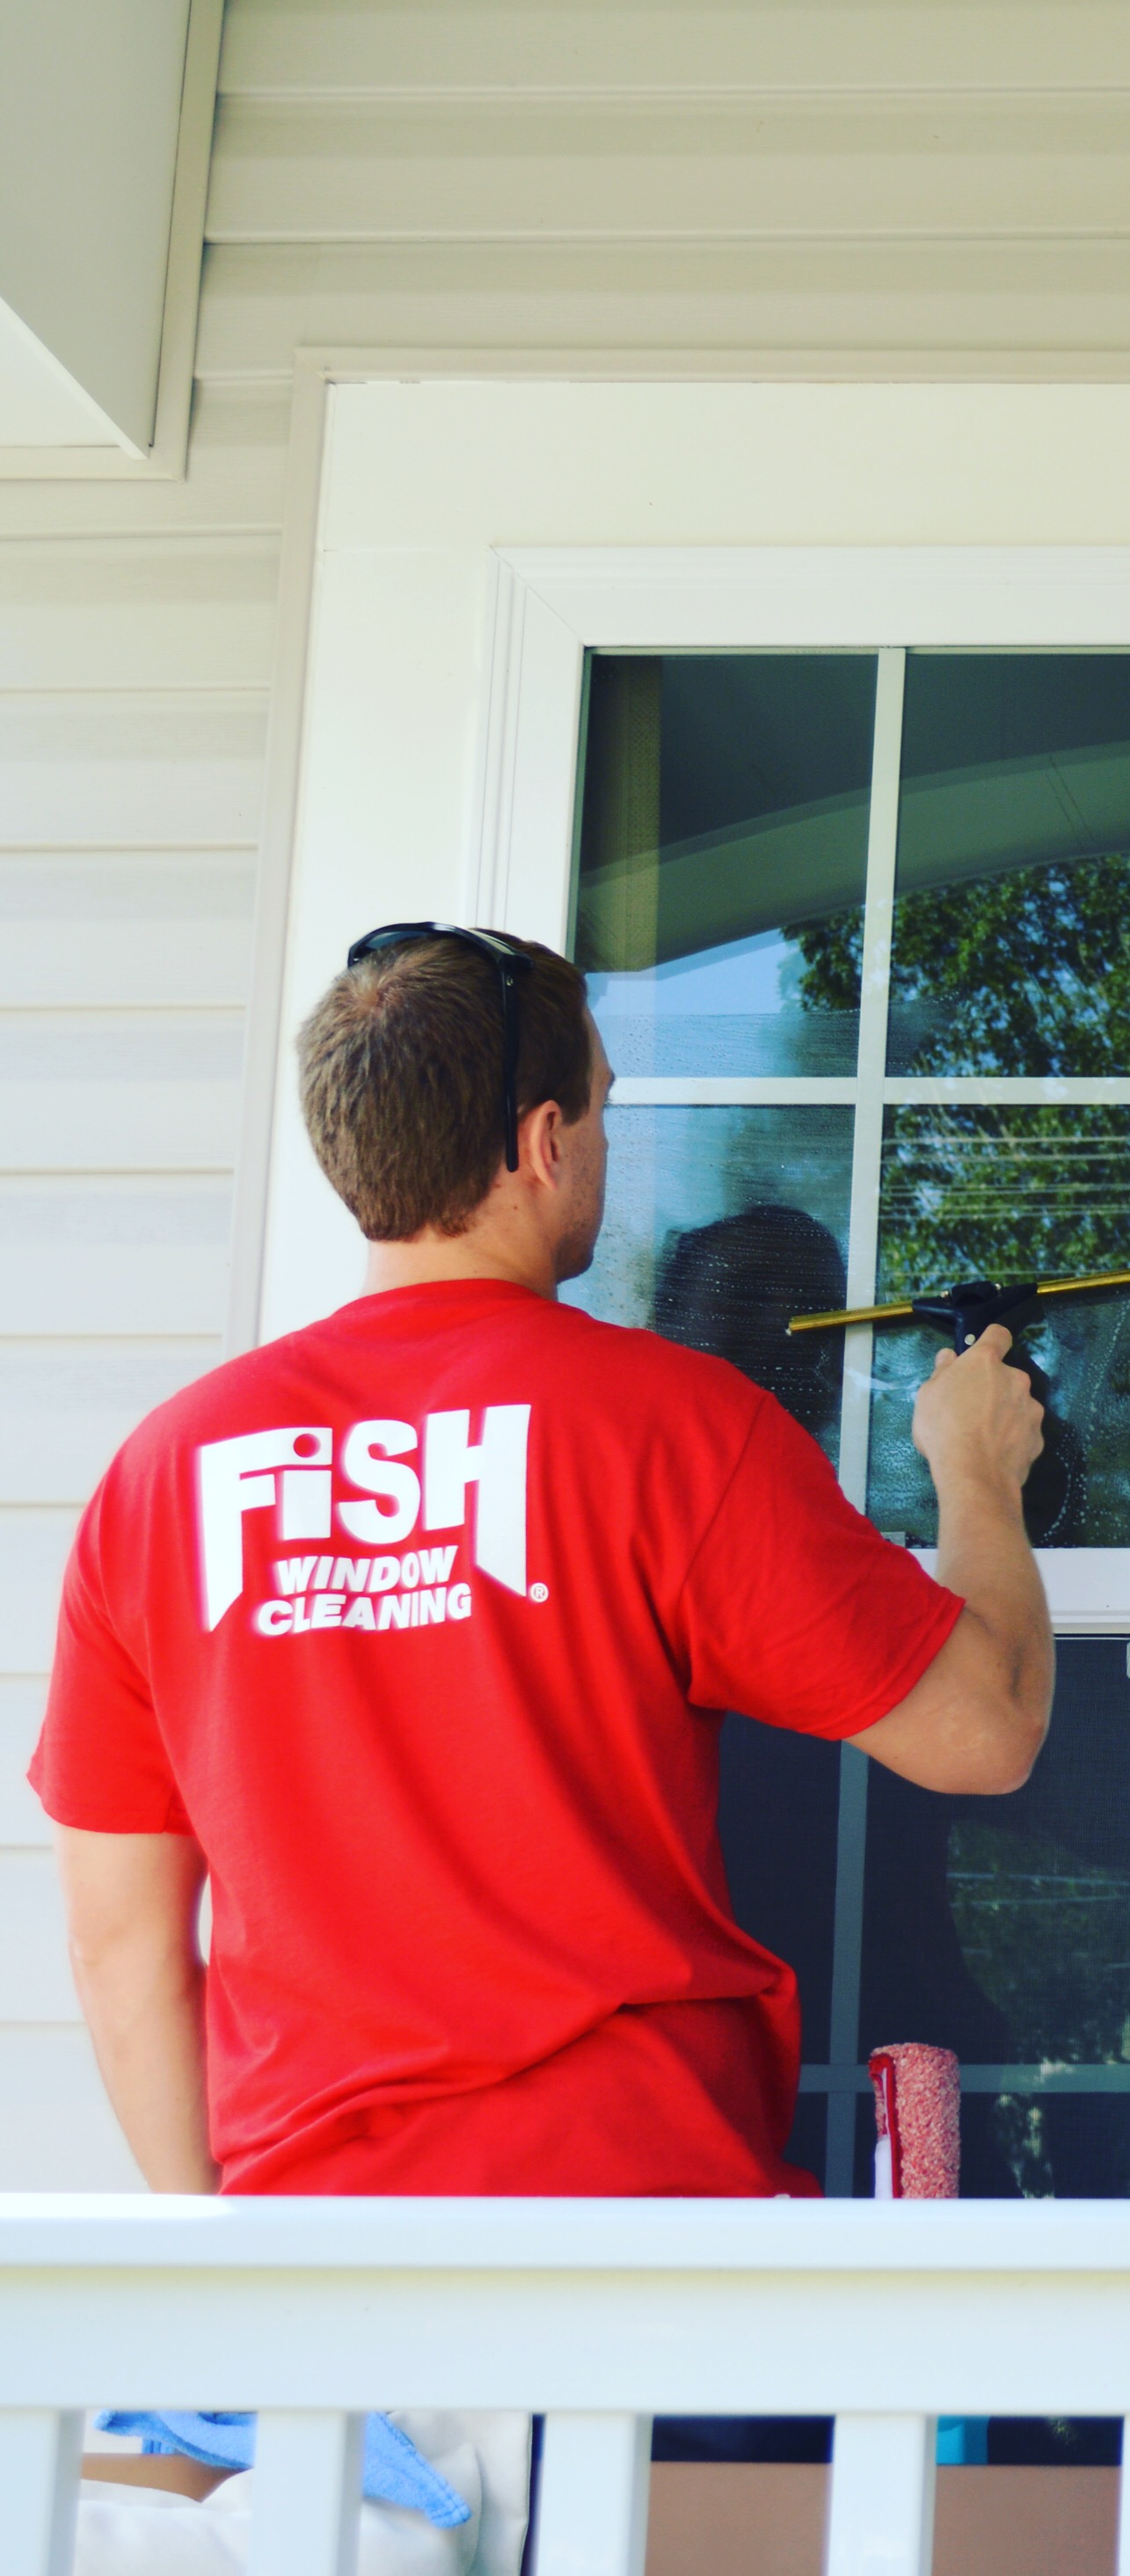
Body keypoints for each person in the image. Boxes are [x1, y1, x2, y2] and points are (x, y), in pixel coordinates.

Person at [27, 923, 1054, 2196]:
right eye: (607, 1110)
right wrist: (977, 1474)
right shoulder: (669, 1426)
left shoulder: (163, 1478)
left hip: (315, 2293)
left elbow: (116, 1943)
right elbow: (987, 1727)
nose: (612, 1148)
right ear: (541, 1141)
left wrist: (228, 2273)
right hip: (620, 2256)